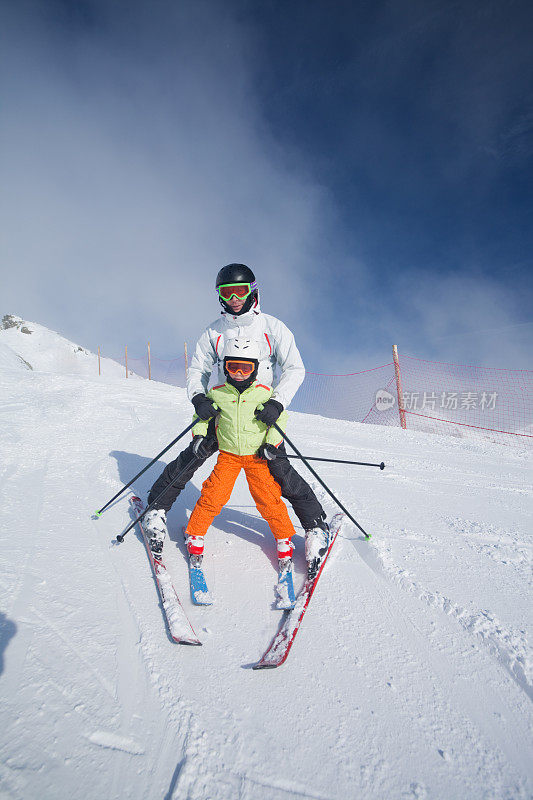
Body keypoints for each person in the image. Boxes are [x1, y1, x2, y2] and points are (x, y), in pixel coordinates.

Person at [144, 263, 328, 557]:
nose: (234, 298)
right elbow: (198, 370)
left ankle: (315, 525)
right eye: (226, 292)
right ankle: (156, 509)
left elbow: (295, 368)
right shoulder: (214, 332)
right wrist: (199, 399)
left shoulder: (272, 327)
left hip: (262, 416)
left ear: (252, 290)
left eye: (240, 290)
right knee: (192, 456)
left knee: (280, 469)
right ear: (219, 295)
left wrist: (277, 402)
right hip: (224, 411)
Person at [183, 338, 297, 564]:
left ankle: (284, 536)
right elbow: (201, 417)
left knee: (268, 497)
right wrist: (198, 434)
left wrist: (271, 444)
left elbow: (280, 419)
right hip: (229, 456)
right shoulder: (217, 393)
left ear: (255, 369)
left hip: (257, 457)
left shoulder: (265, 393)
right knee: (214, 494)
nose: (238, 373)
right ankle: (195, 532)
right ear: (224, 367)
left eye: (245, 368)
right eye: (232, 366)